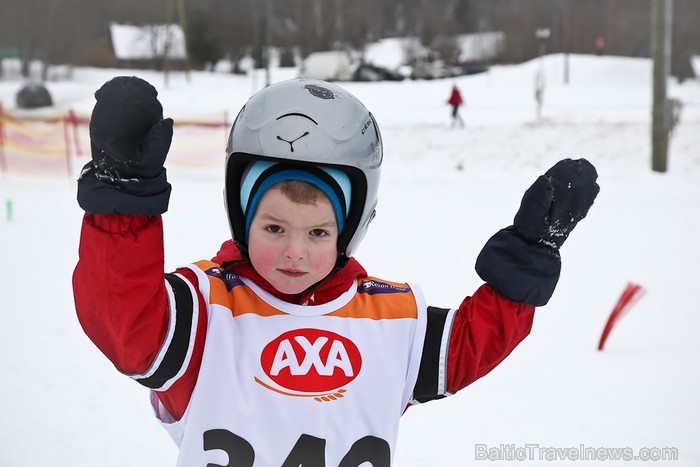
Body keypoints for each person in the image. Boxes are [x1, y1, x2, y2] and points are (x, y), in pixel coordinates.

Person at [73, 76, 599, 466]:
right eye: (274, 229)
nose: (294, 253)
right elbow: (121, 319)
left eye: (318, 233)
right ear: (241, 217)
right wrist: (122, 204)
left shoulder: (387, 320)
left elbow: (467, 345)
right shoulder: (204, 313)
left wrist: (526, 259)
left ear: (349, 231)